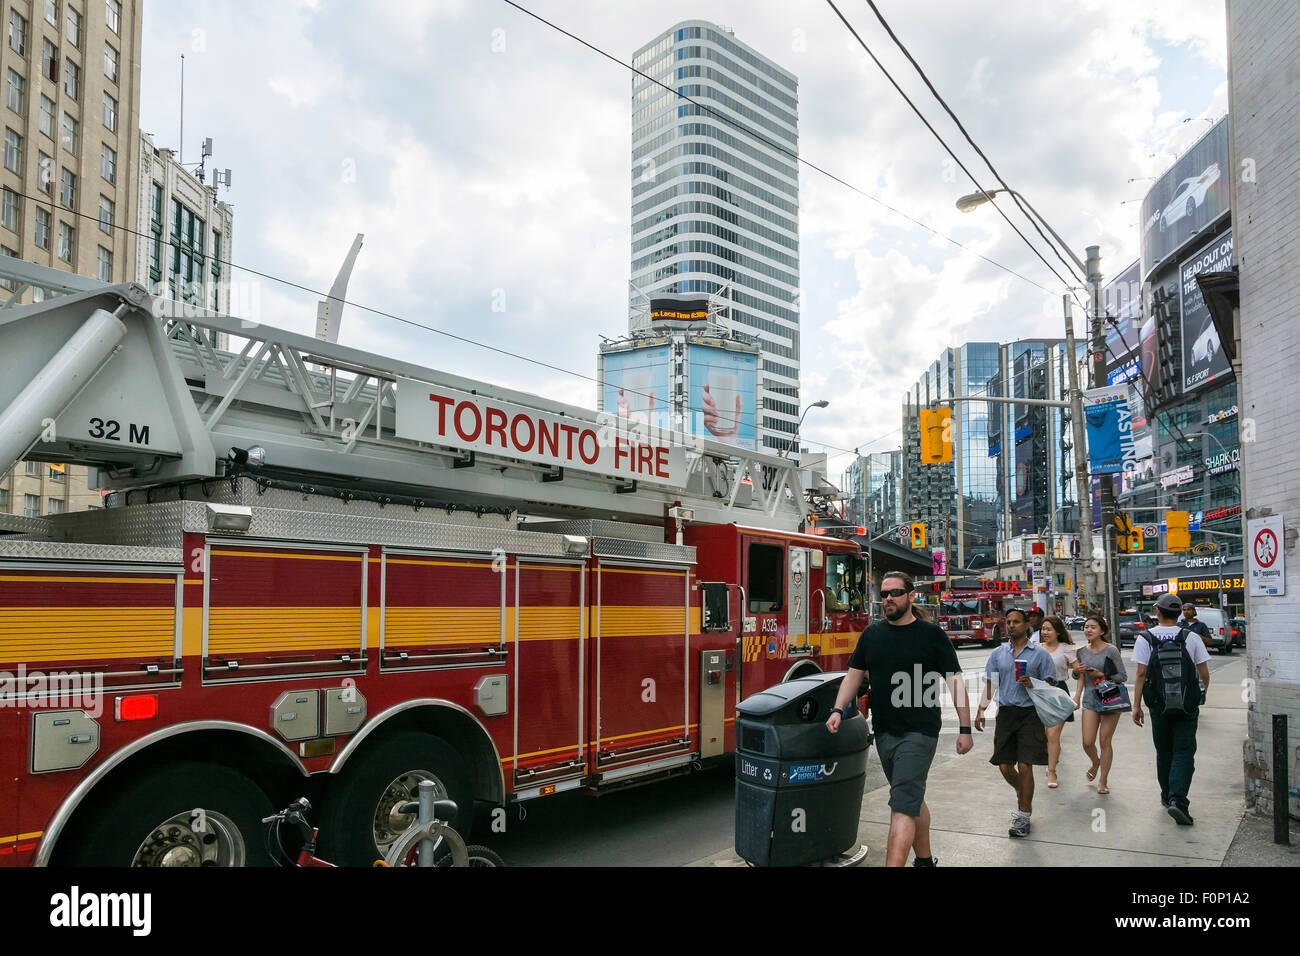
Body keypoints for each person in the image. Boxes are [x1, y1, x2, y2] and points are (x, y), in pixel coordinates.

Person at [827, 571, 973, 866]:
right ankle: (924, 860)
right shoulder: (873, 634)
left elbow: (955, 682)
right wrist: (837, 709)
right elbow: (853, 676)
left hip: (920, 732)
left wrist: (965, 728)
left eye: (894, 593)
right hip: (885, 731)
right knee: (911, 797)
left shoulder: (931, 635)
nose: (888, 599)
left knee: (902, 805)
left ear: (910, 596)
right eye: (884, 594)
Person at [1133, 592, 1212, 825]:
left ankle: (1167, 796)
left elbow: (1140, 674)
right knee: (1184, 751)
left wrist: (1136, 706)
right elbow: (1204, 674)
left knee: (1164, 750)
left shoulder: (1145, 638)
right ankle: (1179, 800)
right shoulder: (1192, 637)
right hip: (1187, 707)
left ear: (1157, 612)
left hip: (1158, 706)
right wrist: (1198, 696)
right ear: (1179, 613)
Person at [975, 607, 1054, 837]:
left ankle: (1024, 815)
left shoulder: (1040, 654)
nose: (1011, 626)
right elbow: (991, 684)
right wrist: (981, 709)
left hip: (1030, 714)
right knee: (1004, 766)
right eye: (1008, 622)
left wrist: (1035, 683)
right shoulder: (998, 653)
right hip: (1006, 713)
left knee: (1025, 764)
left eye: (1016, 622)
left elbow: (1052, 684)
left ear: (1026, 624)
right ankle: (1024, 792)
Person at [1071, 615, 1127, 795]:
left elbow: (1122, 676)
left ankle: (1103, 780)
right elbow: (1078, 677)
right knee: (1087, 742)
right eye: (1086, 627)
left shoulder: (1111, 650)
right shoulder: (1081, 652)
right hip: (1090, 699)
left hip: (1110, 698)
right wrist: (1075, 674)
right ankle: (1096, 761)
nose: (1088, 630)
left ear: (1102, 631)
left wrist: (1102, 675)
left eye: (1093, 627)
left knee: (1105, 741)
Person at [1037, 615, 1081, 789]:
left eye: (1049, 629)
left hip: (1059, 693)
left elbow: (1079, 671)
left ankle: (1052, 770)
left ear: (1057, 631)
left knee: (1053, 734)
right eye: (1043, 629)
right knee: (1046, 735)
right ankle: (1053, 757)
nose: (1045, 632)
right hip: (1040, 693)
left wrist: (1077, 696)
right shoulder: (1036, 648)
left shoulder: (1066, 649)